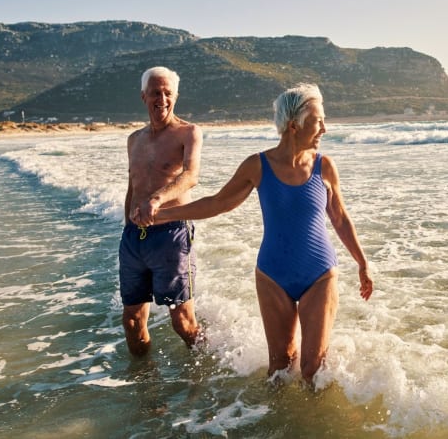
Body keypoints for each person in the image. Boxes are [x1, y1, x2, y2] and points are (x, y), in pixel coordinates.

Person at [148, 83, 373, 382]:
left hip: (319, 275)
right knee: (279, 368)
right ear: (294, 125)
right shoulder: (258, 165)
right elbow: (218, 203)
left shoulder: (324, 166)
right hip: (272, 276)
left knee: (312, 370)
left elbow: (340, 218)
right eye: (319, 121)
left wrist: (362, 262)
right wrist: (161, 216)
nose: (325, 129)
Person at [119, 66, 204, 356]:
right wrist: (126, 228)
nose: (162, 99)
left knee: (182, 322)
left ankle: (206, 376)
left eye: (168, 93)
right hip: (134, 239)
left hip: (171, 234)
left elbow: (191, 175)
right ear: (144, 96)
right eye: (156, 93)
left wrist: (157, 199)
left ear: (176, 96)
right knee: (131, 321)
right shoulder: (134, 139)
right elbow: (132, 186)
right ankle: (145, 389)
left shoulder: (188, 133)